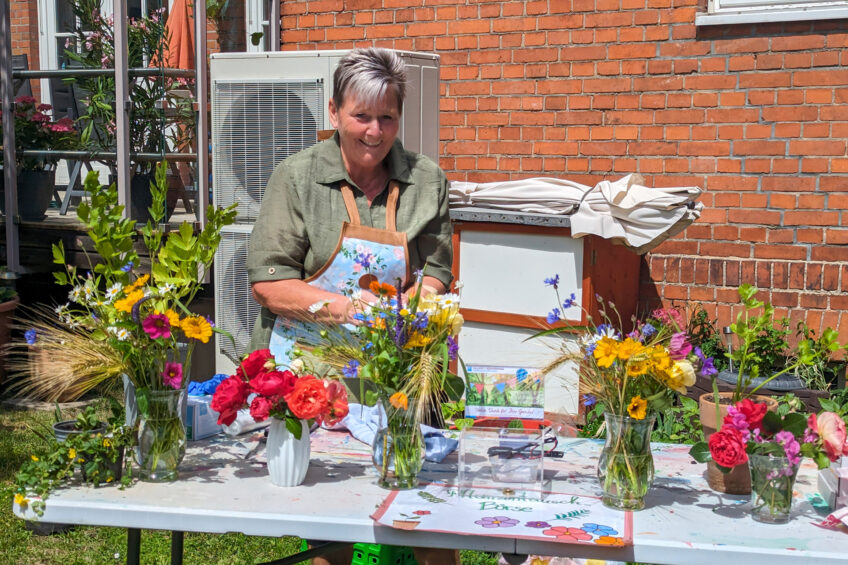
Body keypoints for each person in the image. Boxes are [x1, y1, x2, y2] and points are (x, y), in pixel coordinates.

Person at [246, 48, 459, 565]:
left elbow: (437, 268)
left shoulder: (426, 179)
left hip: (401, 368)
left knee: (425, 510)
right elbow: (270, 283)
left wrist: (415, 302)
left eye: (387, 117)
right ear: (334, 111)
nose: (374, 131)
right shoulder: (296, 178)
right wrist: (348, 309)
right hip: (312, 371)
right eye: (361, 116)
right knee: (329, 512)